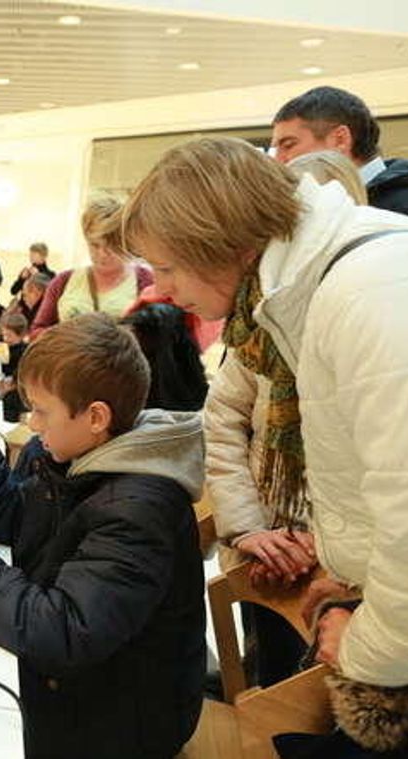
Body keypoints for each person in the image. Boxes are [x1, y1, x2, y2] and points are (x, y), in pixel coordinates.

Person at [123, 136, 408, 751]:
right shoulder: (312, 296)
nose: (163, 290)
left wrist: (366, 648)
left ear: (219, 242)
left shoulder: (365, 291)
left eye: (168, 266)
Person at [0, 313, 205, 759]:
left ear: (95, 417)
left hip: (119, 722)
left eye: (41, 410)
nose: (32, 424)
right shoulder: (72, 452)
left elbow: (60, 633)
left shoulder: (138, 510)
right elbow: (15, 520)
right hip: (87, 686)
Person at [202, 146, 369, 688]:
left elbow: (375, 464)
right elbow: (222, 421)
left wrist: (326, 549)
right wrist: (250, 528)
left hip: (352, 570)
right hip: (265, 550)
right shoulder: (258, 334)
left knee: (337, 689)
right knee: (270, 674)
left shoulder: (360, 319)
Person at [271, 85, 408, 215]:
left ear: (340, 139)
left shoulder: (399, 207)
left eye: (288, 145)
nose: (278, 160)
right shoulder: (318, 204)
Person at [30, 197, 153, 338]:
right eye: (94, 245)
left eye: (111, 246)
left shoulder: (146, 281)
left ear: (126, 242)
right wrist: (69, 337)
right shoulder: (64, 281)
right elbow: (36, 331)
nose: (102, 253)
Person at [0, 312, 30, 423]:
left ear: (21, 335)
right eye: (4, 334)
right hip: (2, 381)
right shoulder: (3, 342)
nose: (5, 338)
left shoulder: (24, 351)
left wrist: (11, 384)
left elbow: (22, 372)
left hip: (15, 387)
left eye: (9, 336)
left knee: (12, 403)